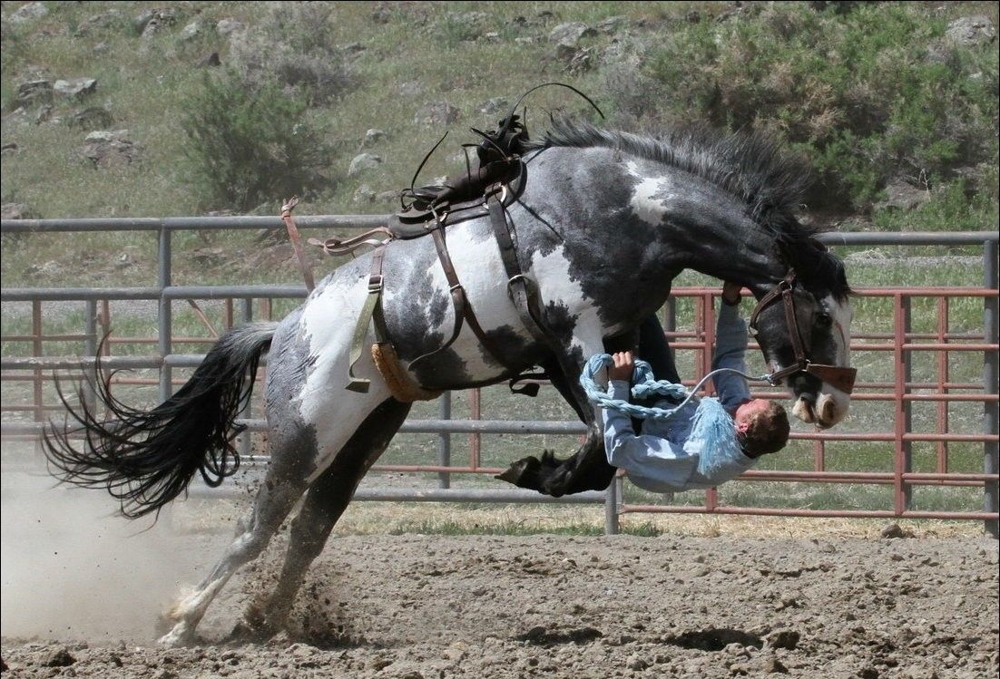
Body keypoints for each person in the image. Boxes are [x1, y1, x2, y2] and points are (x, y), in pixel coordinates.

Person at [601, 282, 790, 493]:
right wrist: (730, 303)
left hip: (643, 435)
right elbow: (729, 360)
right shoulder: (738, 420)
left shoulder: (694, 456)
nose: (746, 398)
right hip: (669, 406)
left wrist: (618, 383)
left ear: (743, 426)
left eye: (751, 403)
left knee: (615, 355)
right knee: (642, 310)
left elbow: (619, 449)